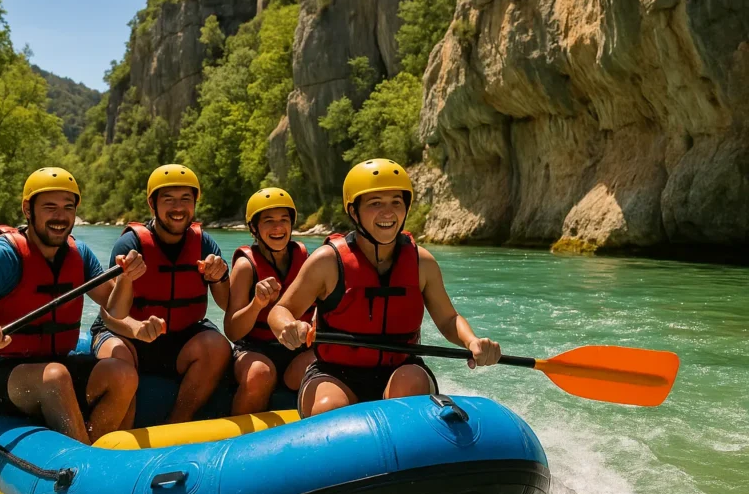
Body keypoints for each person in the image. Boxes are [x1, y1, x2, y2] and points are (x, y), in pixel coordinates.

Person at [268, 158, 502, 418]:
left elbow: (448, 319)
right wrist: (287, 326)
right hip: (335, 372)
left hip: (401, 368)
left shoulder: (422, 262)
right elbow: (281, 310)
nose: (388, 213)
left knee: (410, 384)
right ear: (354, 211)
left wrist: (472, 341)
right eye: (375, 203)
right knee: (328, 409)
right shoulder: (327, 261)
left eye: (396, 203)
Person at [0, 167, 145, 444]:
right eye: (50, 207)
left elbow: (116, 309)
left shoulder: (79, 253)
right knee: (55, 377)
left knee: (122, 373)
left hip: (54, 362)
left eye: (67, 207)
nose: (60, 217)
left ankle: (95, 449)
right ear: (28, 209)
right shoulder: (4, 255)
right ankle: (83, 459)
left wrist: (126, 279)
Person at [91, 164, 232, 424]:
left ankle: (177, 424)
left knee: (218, 346)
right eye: (169, 200)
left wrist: (221, 276)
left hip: (180, 339)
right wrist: (126, 281)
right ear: (152, 204)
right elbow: (111, 315)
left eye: (185, 199)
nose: (178, 208)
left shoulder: (204, 244)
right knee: (118, 358)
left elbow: (226, 305)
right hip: (126, 334)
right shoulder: (130, 244)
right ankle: (117, 438)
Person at [224, 188, 315, 415]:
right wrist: (257, 303)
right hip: (254, 349)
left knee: (335, 361)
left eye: (284, 220)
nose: (278, 228)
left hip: (298, 349)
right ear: (254, 228)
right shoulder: (246, 267)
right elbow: (232, 331)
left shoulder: (306, 260)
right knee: (259, 374)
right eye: (268, 221)